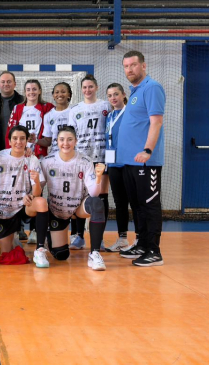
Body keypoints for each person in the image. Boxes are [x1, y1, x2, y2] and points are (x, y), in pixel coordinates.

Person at [117, 50, 166, 267]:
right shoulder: (135, 91)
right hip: (130, 161)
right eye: (126, 66)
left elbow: (156, 122)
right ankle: (143, 244)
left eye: (133, 65)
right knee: (137, 206)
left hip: (146, 162)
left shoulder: (152, 87)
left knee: (149, 205)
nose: (129, 69)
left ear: (143, 66)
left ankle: (154, 251)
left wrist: (147, 150)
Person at [39, 127, 107, 270]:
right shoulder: (47, 161)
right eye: (62, 140)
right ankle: (49, 236)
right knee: (61, 255)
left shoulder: (85, 161)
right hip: (57, 210)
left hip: (78, 207)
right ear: (57, 141)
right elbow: (39, 188)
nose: (66, 143)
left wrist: (98, 177)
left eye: (70, 139)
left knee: (97, 203)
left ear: (76, 141)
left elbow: (94, 193)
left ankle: (94, 254)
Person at [0, 125, 49, 267]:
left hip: (24, 205)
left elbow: (37, 193)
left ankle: (40, 249)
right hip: (4, 208)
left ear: (27, 141)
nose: (18, 142)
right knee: (6, 254)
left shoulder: (32, 159)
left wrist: (32, 193)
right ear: (9, 141)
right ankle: (13, 237)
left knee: (41, 202)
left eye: (22, 139)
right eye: (15, 138)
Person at [6, 79, 54, 242]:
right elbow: (10, 132)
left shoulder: (47, 108)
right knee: (17, 189)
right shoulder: (18, 108)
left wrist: (37, 144)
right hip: (21, 156)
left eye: (34, 89)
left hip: (39, 156)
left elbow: (50, 133)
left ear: (39, 91)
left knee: (37, 191)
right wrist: (15, 152)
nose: (31, 92)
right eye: (28, 89)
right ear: (24, 92)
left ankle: (35, 230)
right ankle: (17, 229)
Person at [67, 74, 111, 250]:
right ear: (81, 89)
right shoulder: (75, 109)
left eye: (90, 86)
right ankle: (79, 236)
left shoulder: (105, 106)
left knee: (101, 196)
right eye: (84, 87)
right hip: (82, 158)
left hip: (102, 157)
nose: (87, 90)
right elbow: (71, 134)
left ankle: (99, 239)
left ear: (97, 87)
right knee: (80, 195)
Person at [103, 83, 136, 253]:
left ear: (123, 95)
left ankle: (139, 238)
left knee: (134, 200)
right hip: (113, 164)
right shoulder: (109, 116)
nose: (113, 98)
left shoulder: (130, 113)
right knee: (119, 202)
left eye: (116, 94)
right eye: (110, 95)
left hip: (128, 163)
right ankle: (122, 239)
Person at [0, 71, 24, 150]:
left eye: (9, 82)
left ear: (15, 84)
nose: (6, 84)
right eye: (3, 82)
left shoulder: (24, 102)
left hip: (19, 147)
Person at [40, 82, 73, 154]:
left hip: (72, 154)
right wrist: (35, 140)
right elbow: (48, 141)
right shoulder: (48, 116)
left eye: (63, 92)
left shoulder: (74, 112)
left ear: (69, 95)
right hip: (55, 155)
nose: (60, 94)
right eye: (57, 92)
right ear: (53, 96)